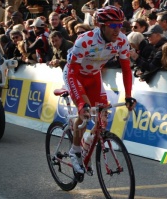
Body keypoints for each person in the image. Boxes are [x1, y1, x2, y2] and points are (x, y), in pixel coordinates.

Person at [63, 5, 136, 174]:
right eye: (112, 25)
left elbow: (126, 69)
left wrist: (129, 96)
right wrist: (82, 103)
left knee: (102, 120)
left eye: (120, 25)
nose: (117, 30)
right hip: (75, 75)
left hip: (94, 76)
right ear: (101, 25)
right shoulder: (85, 40)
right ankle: (74, 151)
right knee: (85, 115)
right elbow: (73, 72)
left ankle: (86, 147)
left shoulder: (122, 40)